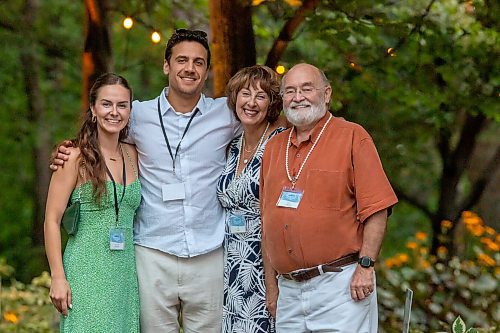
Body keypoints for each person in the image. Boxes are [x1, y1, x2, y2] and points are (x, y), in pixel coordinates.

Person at [51, 29, 241, 333]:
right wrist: (68, 150)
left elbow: (269, 121)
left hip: (209, 254)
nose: (189, 68)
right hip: (152, 253)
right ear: (166, 65)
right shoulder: (137, 113)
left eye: (198, 62)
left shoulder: (227, 114)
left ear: (207, 70)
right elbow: (101, 131)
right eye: (181, 60)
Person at [260, 63, 398, 333]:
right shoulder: (274, 148)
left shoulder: (353, 137)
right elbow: (267, 225)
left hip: (340, 286)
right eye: (290, 91)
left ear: (326, 94)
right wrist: (272, 287)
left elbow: (377, 210)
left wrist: (366, 267)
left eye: (306, 89)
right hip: (288, 291)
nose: (298, 97)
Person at [44, 73, 140, 332]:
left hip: (124, 274)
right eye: (106, 104)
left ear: (130, 110)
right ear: (93, 109)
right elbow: (52, 220)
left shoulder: (133, 154)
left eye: (122, 105)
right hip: (85, 272)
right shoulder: (74, 157)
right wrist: (58, 277)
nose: (114, 112)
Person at [217, 65, 284, 333]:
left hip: (263, 264)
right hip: (232, 263)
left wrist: (271, 284)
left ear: (272, 104)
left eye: (261, 96)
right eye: (246, 94)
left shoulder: (279, 144)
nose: (251, 103)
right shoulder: (233, 145)